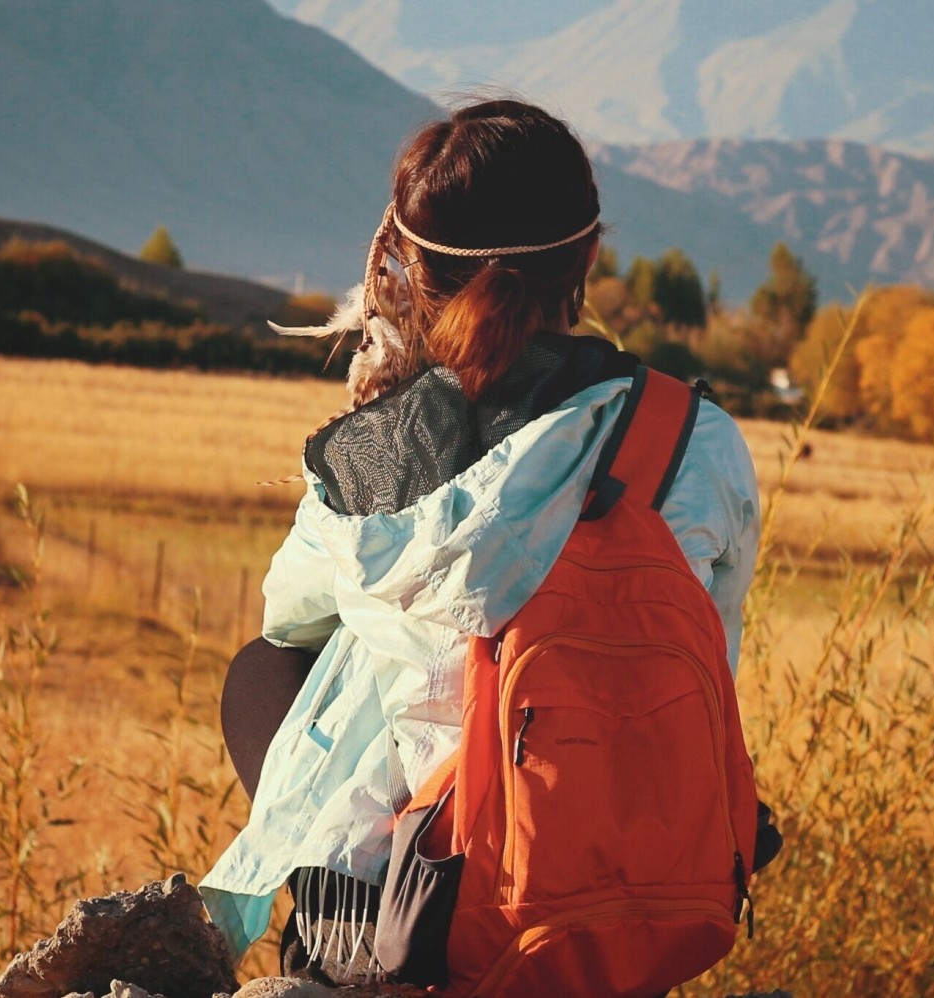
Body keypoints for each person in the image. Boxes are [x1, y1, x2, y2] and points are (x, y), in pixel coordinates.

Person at [199, 98, 761, 985]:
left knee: (266, 665)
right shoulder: (696, 438)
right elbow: (714, 651)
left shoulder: (366, 460)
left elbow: (289, 618)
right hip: (646, 885)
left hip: (430, 907)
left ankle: (344, 936)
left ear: (411, 268)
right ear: (589, 255)